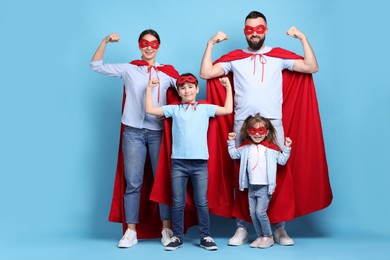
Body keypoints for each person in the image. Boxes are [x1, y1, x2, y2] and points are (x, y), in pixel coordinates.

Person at [200, 10, 333, 246]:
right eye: (250, 29)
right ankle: (242, 226)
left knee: (277, 173)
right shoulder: (234, 58)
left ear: (266, 31)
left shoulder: (278, 57)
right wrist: (210, 44)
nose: (254, 33)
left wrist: (302, 38)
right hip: (243, 123)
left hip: (273, 123)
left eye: (259, 29)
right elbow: (206, 72)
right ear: (245, 32)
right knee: (243, 175)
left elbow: (311, 67)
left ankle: (279, 226)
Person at [90, 30, 180, 248]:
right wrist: (104, 42)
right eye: (144, 43)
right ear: (140, 46)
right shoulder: (129, 68)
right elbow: (96, 65)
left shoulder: (167, 73)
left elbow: (186, 91)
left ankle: (166, 229)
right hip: (133, 133)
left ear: (159, 46)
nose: (149, 47)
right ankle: (131, 231)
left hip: (157, 131)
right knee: (133, 183)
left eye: (153, 43)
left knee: (162, 181)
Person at [145, 73, 233, 251]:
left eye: (191, 87)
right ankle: (177, 236)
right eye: (183, 88)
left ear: (197, 89)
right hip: (179, 163)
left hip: (200, 163)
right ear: (178, 91)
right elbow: (150, 110)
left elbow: (227, 110)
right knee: (178, 202)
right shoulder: (174, 109)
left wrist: (228, 87)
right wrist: (149, 89)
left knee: (202, 201)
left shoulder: (205, 108)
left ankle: (205, 236)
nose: (187, 90)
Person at [227, 114, 292, 249]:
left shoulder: (271, 150)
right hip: (251, 187)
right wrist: (231, 142)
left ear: (267, 132)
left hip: (264, 187)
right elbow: (233, 154)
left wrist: (287, 148)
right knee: (252, 213)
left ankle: (268, 236)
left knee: (260, 212)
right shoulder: (245, 148)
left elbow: (282, 161)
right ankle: (260, 236)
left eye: (261, 131)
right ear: (248, 132)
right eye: (253, 131)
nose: (257, 134)